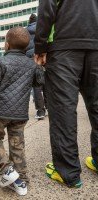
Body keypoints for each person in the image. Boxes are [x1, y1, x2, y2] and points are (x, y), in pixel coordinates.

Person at [34, 0, 98, 188]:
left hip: (65, 46)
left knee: (63, 110)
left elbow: (47, 8)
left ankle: (68, 173)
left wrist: (40, 46)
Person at [0, 27, 36, 196]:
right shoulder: (31, 64)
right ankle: (22, 179)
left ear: (8, 45)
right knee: (17, 145)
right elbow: (39, 83)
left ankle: (7, 170)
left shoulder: (1, 62)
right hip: (19, 114)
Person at [26, 13, 47, 119]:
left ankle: (40, 111)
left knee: (36, 86)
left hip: (31, 61)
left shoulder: (25, 32)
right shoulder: (42, 28)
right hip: (43, 59)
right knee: (47, 84)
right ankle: (48, 107)